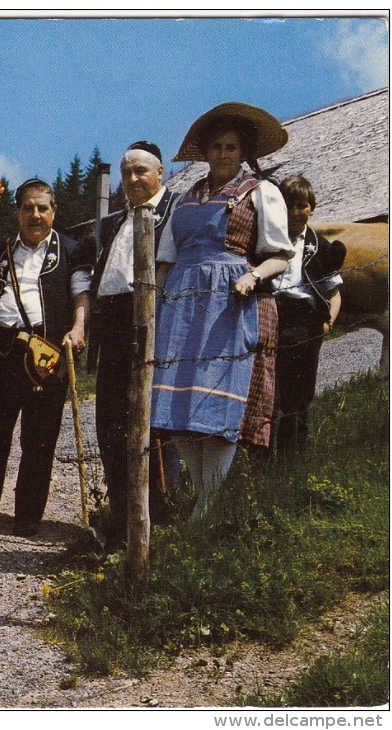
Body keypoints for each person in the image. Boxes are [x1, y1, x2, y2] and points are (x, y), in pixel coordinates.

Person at [151, 103, 294, 519]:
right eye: (216, 146)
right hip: (181, 305)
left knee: (218, 404)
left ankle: (209, 503)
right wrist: (156, 305)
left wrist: (253, 277)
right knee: (176, 407)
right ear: (205, 151)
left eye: (232, 147)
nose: (223, 154)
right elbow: (166, 260)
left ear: (243, 151)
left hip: (231, 302)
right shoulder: (187, 196)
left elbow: (279, 255)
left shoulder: (260, 191)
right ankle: (203, 495)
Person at [0, 179, 93, 538]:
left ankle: (27, 518)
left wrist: (78, 328)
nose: (35, 215)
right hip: (0, 352)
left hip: (46, 355)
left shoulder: (71, 250)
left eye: (42, 208)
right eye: (28, 208)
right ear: (17, 213)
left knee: (39, 441)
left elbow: (82, 293)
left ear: (54, 211)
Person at [90, 141, 182, 547]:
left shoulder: (177, 211)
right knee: (109, 421)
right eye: (126, 172)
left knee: (151, 423)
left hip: (151, 323)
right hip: (110, 325)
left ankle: (158, 518)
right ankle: (122, 515)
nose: (132, 179)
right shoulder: (113, 222)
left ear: (160, 172)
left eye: (140, 171)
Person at [270, 176, 346, 459]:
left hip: (305, 320)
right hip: (271, 315)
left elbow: (333, 292)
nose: (295, 212)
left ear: (311, 208)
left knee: (299, 395)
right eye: (289, 205)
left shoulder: (320, 246)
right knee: (269, 394)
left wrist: (329, 322)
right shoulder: (267, 239)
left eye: (301, 206)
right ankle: (260, 460)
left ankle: (292, 459)